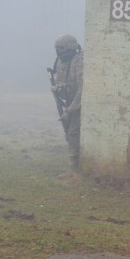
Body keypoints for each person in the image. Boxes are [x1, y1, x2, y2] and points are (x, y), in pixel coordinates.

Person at [51, 35, 84, 168]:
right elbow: (62, 84)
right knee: (69, 135)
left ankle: (73, 169)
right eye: (57, 49)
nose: (59, 52)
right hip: (68, 103)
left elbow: (82, 89)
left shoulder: (80, 61)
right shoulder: (59, 62)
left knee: (73, 133)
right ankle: (77, 164)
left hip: (80, 105)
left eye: (61, 48)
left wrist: (70, 111)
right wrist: (57, 89)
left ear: (70, 48)